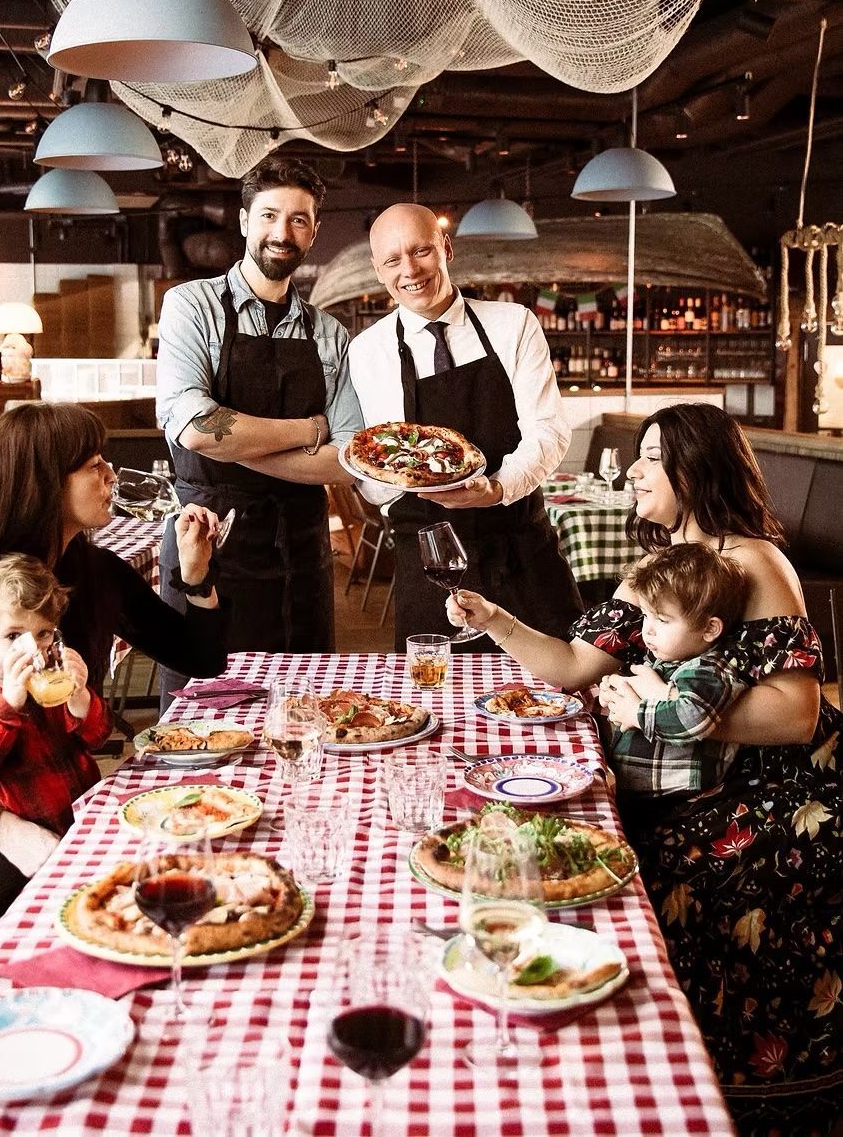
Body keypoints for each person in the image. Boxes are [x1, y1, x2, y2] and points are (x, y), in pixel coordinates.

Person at [447, 402, 842, 1133]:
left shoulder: (754, 562)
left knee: (616, 863)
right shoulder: (659, 567)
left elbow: (796, 714)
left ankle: (694, 1082)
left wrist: (653, 707)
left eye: (653, 456)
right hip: (686, 776)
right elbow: (571, 666)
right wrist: (493, 619)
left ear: (698, 469)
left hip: (766, 791)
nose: (633, 468)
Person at [0, 401, 229, 973]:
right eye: (93, 463)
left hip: (57, 794)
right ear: (42, 483)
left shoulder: (93, 573)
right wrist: (4, 831)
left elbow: (201, 657)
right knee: (7, 912)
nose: (110, 474)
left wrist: (196, 573)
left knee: (173, 869)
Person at [156, 155, 362, 703]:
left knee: (308, 710)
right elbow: (199, 428)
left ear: (314, 231)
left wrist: (242, 445)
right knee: (203, 712)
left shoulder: (331, 333)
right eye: (269, 215)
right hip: (208, 541)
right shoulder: (191, 305)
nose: (282, 232)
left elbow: (345, 459)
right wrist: (306, 428)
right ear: (244, 220)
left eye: (299, 220)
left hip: (301, 550)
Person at [348, 203, 581, 650]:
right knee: (440, 699)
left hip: (518, 546)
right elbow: (374, 459)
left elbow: (549, 430)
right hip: (429, 561)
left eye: (422, 251)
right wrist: (388, 484)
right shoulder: (366, 351)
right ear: (378, 270)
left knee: (561, 689)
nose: (410, 270)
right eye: (393, 260)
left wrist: (495, 488)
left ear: (446, 248)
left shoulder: (513, 324)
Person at [0, 555, 112, 931]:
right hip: (11, 836)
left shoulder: (48, 687)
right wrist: (8, 704)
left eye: (44, 634)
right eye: (13, 635)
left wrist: (81, 699)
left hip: (76, 817)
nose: (32, 650)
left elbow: (96, 736)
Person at [597, 542, 749, 798]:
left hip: (680, 799)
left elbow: (692, 717)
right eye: (646, 616)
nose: (649, 630)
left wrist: (635, 712)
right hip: (635, 789)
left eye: (662, 620)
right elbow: (641, 695)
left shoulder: (711, 670)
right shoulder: (664, 659)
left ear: (710, 629)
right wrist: (614, 693)